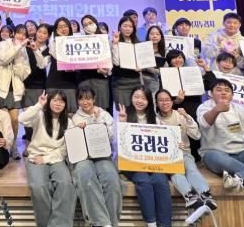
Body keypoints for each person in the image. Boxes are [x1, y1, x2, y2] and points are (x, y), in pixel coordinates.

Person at [19, 90, 76, 227]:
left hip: (57, 158)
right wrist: (39, 105)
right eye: (55, 100)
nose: (58, 103)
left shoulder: (69, 122)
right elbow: (22, 119)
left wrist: (46, 159)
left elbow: (65, 149)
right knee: (38, 186)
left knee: (66, 184)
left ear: (65, 104)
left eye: (61, 101)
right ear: (49, 101)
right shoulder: (39, 115)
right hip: (36, 156)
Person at [118, 86, 172, 227]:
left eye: (143, 98)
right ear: (131, 98)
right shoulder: (123, 115)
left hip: (152, 163)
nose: (139, 101)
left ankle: (165, 224)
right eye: (136, 97)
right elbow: (116, 143)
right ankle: (151, 223)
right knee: (144, 181)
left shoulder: (155, 118)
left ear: (149, 101)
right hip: (131, 163)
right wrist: (122, 123)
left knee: (160, 181)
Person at [155, 89, 217, 211]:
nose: (164, 103)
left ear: (172, 102)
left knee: (191, 169)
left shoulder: (180, 115)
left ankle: (205, 194)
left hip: (184, 153)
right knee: (175, 172)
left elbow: (197, 135)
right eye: (160, 100)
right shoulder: (154, 119)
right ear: (156, 103)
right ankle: (190, 196)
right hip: (166, 157)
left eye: (167, 100)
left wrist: (187, 117)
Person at [0, 24, 45, 159]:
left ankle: (13, 145)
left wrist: (17, 66)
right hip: (0, 88)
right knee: (3, 120)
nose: (21, 36)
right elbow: (4, 59)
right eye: (19, 33)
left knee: (15, 120)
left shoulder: (24, 50)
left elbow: (25, 72)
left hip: (15, 90)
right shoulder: (3, 44)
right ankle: (3, 149)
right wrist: (18, 47)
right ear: (13, 34)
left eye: (24, 34)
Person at [71, 86, 122, 227]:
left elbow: (112, 137)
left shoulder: (104, 114)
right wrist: (78, 131)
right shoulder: (75, 118)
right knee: (86, 179)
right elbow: (73, 142)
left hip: (102, 156)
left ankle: (112, 222)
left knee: (112, 180)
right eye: (81, 99)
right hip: (83, 157)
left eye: (88, 98)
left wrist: (98, 121)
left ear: (94, 99)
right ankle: (100, 222)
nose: (85, 102)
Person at [23, 23, 51, 155]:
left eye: (45, 33)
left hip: (40, 86)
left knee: (39, 116)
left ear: (48, 36)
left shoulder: (49, 50)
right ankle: (28, 143)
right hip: (25, 85)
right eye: (40, 31)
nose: (41, 35)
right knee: (28, 115)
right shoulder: (26, 45)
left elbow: (42, 65)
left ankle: (39, 144)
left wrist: (36, 50)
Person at [77, 14, 111, 110]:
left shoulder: (104, 40)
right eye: (85, 25)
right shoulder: (79, 41)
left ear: (95, 23)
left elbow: (110, 62)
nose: (88, 26)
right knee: (85, 109)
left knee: (101, 110)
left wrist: (106, 71)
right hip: (84, 80)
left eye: (90, 23)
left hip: (100, 80)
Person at [47, 17, 79, 114]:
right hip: (54, 83)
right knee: (52, 116)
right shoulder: (53, 43)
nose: (63, 29)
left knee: (71, 115)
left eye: (65, 26)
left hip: (70, 84)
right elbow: (57, 56)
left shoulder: (77, 42)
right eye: (60, 27)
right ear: (56, 30)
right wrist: (61, 40)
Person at [110, 16, 141, 108]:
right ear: (120, 27)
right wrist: (115, 44)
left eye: (130, 26)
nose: (128, 29)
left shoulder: (137, 43)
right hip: (120, 82)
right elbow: (116, 62)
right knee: (123, 110)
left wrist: (141, 67)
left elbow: (141, 62)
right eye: (125, 26)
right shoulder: (113, 42)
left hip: (135, 81)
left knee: (136, 109)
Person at [142, 25, 166, 97]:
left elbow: (165, 71)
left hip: (155, 84)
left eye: (157, 34)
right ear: (148, 36)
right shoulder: (142, 49)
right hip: (141, 82)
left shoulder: (164, 52)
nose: (154, 36)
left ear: (161, 37)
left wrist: (150, 69)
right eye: (152, 34)